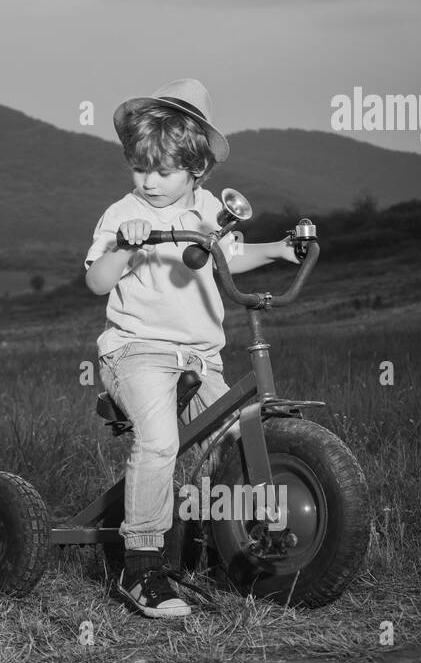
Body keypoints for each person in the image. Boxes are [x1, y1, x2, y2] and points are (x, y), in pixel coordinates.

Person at [83, 78, 299, 618]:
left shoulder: (208, 209)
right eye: (140, 168)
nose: (149, 182)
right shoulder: (122, 215)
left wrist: (280, 248)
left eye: (163, 171)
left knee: (234, 438)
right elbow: (97, 281)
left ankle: (232, 549)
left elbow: (231, 255)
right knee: (158, 444)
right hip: (137, 352)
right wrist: (126, 246)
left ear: (197, 167)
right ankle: (143, 571)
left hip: (201, 357)